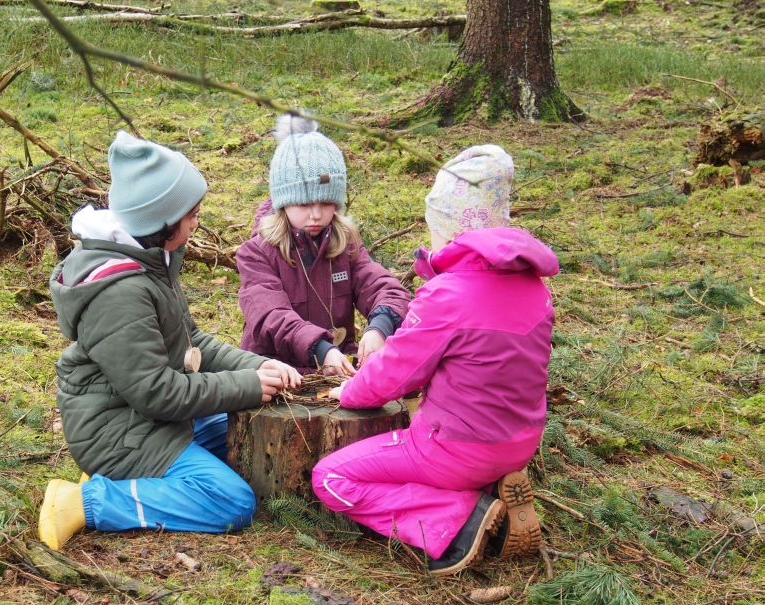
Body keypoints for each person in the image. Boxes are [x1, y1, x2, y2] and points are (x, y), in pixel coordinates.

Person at [38, 131, 301, 550]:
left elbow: (190, 340)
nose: (197, 222)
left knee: (243, 422)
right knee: (232, 502)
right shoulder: (120, 291)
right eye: (191, 214)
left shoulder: (150, 261)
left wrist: (255, 367)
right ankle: (83, 502)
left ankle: (136, 483)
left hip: (148, 420)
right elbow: (157, 393)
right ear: (161, 221)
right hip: (118, 432)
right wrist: (246, 386)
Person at [311, 145, 558, 576]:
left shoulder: (448, 294)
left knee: (331, 478)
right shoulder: (535, 288)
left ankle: (460, 516)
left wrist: (349, 389)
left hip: (454, 449)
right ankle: (490, 486)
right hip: (521, 442)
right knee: (431, 447)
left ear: (447, 227)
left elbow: (396, 375)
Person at [237, 115, 411, 376]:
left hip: (337, 370)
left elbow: (381, 287)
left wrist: (379, 327)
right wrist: (321, 349)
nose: (316, 215)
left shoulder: (345, 245)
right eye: (305, 204)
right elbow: (270, 315)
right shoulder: (256, 253)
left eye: (326, 203)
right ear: (283, 201)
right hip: (277, 373)